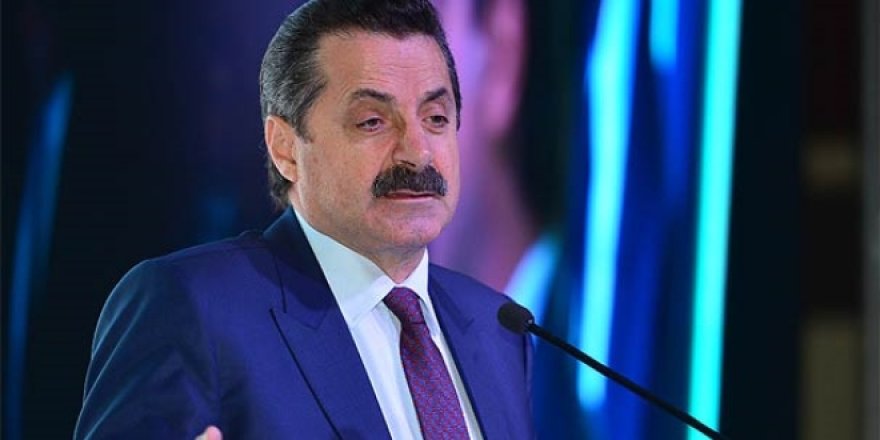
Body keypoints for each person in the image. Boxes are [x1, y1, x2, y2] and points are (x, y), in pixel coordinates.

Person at [73, 1, 533, 438]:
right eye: (372, 121)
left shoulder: (498, 326)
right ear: (285, 149)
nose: (417, 153)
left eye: (435, 118)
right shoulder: (192, 308)